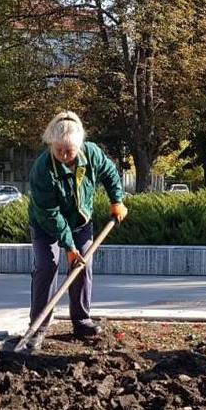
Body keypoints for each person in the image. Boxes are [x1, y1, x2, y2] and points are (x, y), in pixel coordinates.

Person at [25, 111, 128, 351]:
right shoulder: (42, 169)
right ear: (51, 143)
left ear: (79, 145)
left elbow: (110, 173)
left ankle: (81, 320)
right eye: (58, 149)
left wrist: (117, 200)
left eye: (68, 150)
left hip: (81, 221)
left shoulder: (91, 153)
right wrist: (69, 247)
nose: (63, 154)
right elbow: (51, 215)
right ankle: (38, 327)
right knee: (46, 266)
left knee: (83, 265)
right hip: (46, 224)